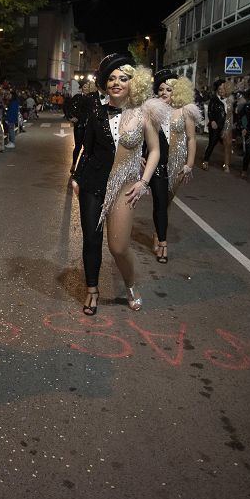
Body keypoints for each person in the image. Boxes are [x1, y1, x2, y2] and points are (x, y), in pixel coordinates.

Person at [73, 53, 166, 314]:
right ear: (104, 83)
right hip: (93, 182)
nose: (116, 83)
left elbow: (155, 151)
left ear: (132, 83)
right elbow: (86, 148)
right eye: (111, 78)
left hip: (125, 185)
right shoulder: (96, 111)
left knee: (118, 246)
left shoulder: (145, 113)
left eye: (123, 78)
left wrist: (144, 182)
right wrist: (77, 177)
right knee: (91, 240)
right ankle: (92, 290)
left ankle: (130, 284)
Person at [150, 71, 199, 263]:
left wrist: (190, 164)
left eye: (168, 89)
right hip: (159, 163)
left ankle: (157, 230)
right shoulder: (153, 111)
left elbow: (191, 139)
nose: (163, 93)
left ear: (177, 92)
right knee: (160, 201)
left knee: (167, 201)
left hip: (178, 164)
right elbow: (147, 139)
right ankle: (161, 239)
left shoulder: (186, 110)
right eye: (160, 89)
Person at [201, 79, 233, 172]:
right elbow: (210, 111)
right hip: (215, 126)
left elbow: (232, 114)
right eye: (219, 89)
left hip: (227, 126)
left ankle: (226, 164)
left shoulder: (230, 100)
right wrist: (212, 121)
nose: (221, 90)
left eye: (223, 88)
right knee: (212, 143)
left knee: (227, 145)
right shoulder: (214, 100)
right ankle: (205, 161)